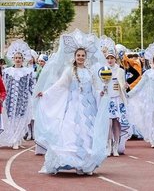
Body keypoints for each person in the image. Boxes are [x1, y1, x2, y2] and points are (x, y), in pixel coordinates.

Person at [34, 30, 110, 175]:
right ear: (74, 57)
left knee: (88, 134)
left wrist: (100, 93)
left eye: (83, 55)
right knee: (71, 133)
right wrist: (45, 93)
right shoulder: (69, 71)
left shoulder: (89, 72)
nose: (81, 57)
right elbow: (59, 86)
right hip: (74, 108)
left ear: (86, 57)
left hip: (89, 109)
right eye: (78, 55)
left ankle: (86, 165)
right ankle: (72, 161)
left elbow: (94, 88)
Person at [127, 42, 154, 148]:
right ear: (153, 60)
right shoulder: (148, 73)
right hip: (151, 101)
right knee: (152, 118)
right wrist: (129, 94)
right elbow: (139, 86)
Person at [0, 40, 34, 149]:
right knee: (10, 118)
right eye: (16, 57)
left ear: (23, 59)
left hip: (22, 99)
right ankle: (11, 138)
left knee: (20, 118)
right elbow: (4, 85)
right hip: (9, 99)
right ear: (13, 59)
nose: (18, 59)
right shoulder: (7, 71)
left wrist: (35, 95)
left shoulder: (28, 72)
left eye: (20, 58)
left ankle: (17, 139)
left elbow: (31, 86)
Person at [102, 47, 131, 156]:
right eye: (108, 58)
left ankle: (115, 146)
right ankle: (108, 145)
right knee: (108, 123)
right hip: (107, 99)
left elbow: (122, 86)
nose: (110, 60)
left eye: (112, 58)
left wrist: (124, 86)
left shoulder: (120, 70)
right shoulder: (103, 70)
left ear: (115, 59)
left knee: (117, 123)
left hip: (118, 99)